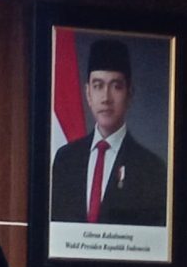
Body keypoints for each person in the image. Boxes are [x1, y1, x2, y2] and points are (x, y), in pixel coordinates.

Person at [47, 37, 169, 227]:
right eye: (98, 86)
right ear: (88, 93)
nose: (106, 98)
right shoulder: (65, 159)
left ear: (129, 93)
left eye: (116, 86)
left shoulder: (151, 169)